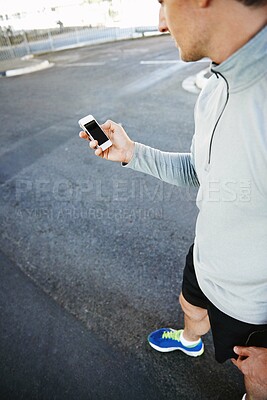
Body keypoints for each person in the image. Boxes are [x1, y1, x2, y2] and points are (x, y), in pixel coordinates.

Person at [79, 0, 267, 399]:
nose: (160, 23)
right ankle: (190, 338)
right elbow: (203, 172)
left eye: (162, 3)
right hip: (205, 260)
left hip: (252, 307)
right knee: (190, 305)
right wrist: (132, 153)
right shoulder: (216, 85)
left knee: (257, 378)